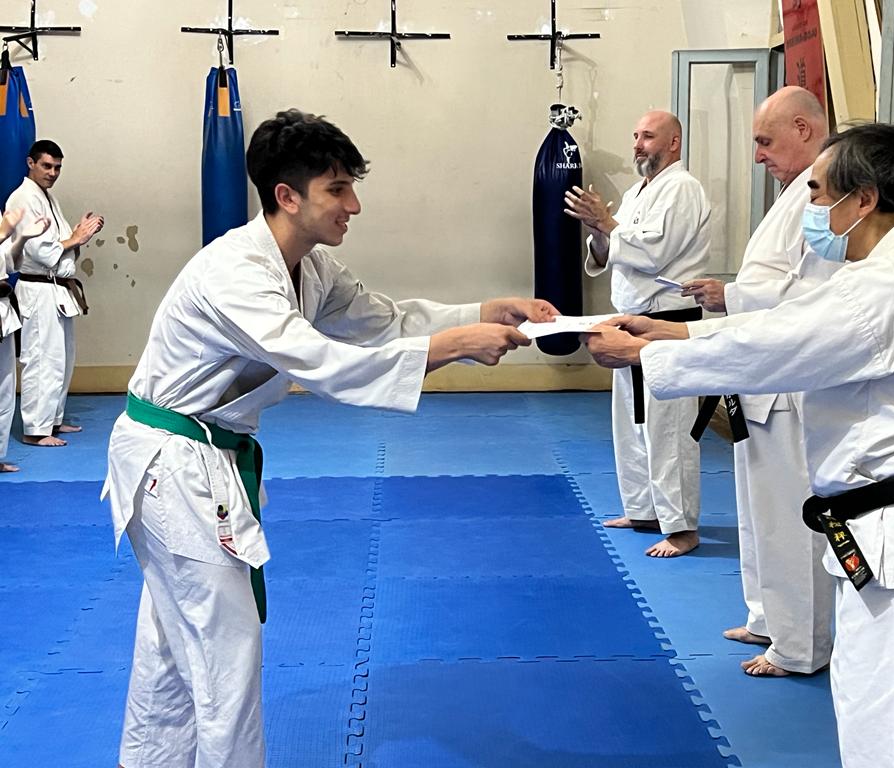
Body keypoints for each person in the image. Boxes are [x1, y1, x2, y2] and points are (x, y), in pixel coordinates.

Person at [103, 109, 555, 768]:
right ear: (288, 196)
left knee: (173, 647)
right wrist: (452, 347)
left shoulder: (310, 269)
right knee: (226, 654)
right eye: (337, 189)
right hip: (174, 464)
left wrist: (481, 312)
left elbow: (384, 320)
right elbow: (321, 363)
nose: (354, 205)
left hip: (198, 457)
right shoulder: (236, 272)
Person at [584, 122, 894, 768]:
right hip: (885, 521)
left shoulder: (892, 285)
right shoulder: (880, 270)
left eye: (818, 193)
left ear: (864, 200)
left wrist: (645, 354)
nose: (809, 207)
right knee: (867, 700)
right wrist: (669, 333)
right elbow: (789, 322)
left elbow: (778, 348)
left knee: (889, 726)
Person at [681, 86, 836, 677]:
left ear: (803, 128)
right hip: (760, 374)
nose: (758, 156)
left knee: (792, 519)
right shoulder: (797, 192)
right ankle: (768, 616)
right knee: (758, 512)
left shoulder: (826, 193)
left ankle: (801, 647)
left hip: (791, 382)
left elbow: (813, 295)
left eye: (765, 141)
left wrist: (733, 295)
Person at [564, 109, 711, 557]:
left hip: (669, 322)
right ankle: (644, 510)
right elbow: (611, 252)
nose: (637, 144)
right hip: (629, 318)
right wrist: (597, 230)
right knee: (631, 424)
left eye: (648, 136)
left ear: (674, 142)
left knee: (669, 429)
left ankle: (682, 527)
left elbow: (653, 253)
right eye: (635, 136)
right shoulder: (635, 192)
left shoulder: (683, 188)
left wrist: (608, 225)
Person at [5, 139, 104, 446]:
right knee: (41, 359)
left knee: (62, 359)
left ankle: (53, 421)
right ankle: (35, 429)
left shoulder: (47, 197)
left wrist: (78, 235)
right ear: (30, 163)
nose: (52, 173)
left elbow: (61, 245)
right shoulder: (22, 198)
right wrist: (75, 238)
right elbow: (40, 251)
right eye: (46, 166)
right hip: (37, 289)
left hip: (57, 290)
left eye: (57, 167)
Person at [0, 208, 51, 472]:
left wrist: (22, 238)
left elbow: (9, 263)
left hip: (2, 309)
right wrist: (3, 232)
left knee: (5, 388)